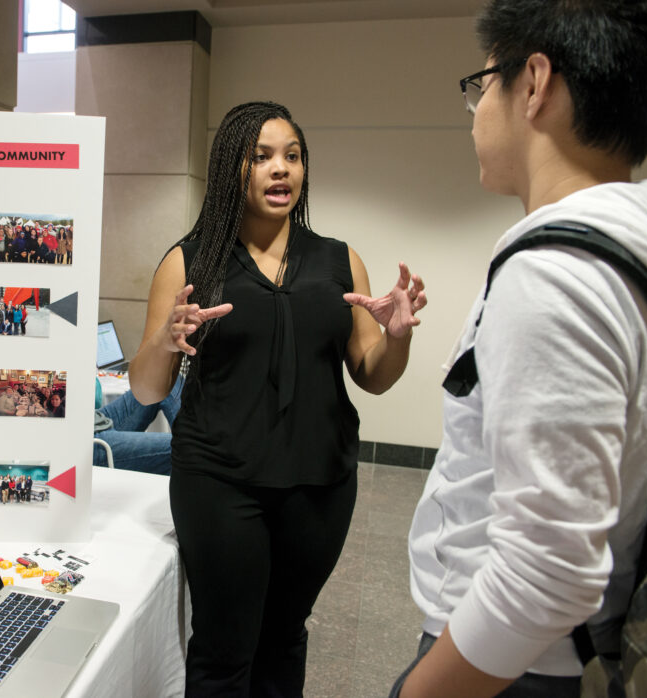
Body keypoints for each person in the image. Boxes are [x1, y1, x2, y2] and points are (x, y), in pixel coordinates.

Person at [389, 3, 647, 697]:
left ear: (534, 82)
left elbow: (547, 570)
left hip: (520, 666)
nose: (475, 110)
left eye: (481, 84)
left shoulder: (555, 272)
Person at [129, 101, 426, 696]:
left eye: (292, 156)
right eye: (261, 156)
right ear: (230, 170)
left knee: (285, 635)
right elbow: (146, 388)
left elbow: (373, 372)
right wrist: (166, 339)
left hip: (319, 485)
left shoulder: (340, 260)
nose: (280, 169)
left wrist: (396, 338)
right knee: (224, 645)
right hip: (219, 482)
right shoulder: (189, 261)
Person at [93, 375, 182, 475]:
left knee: (165, 378)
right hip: (85, 439)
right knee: (184, 447)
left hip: (95, 418)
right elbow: (95, 398)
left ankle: (195, 434)